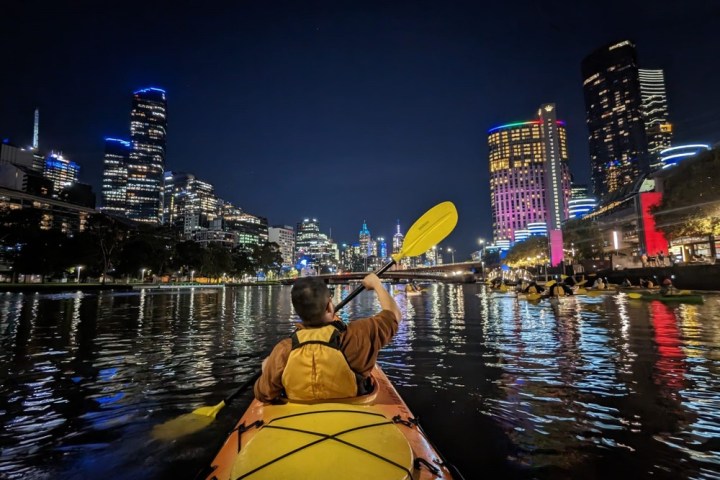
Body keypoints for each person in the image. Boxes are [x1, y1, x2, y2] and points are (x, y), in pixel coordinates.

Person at [253, 274, 402, 403]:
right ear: (330, 307)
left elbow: (263, 394)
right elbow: (394, 315)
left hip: (299, 420)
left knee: (267, 364)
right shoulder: (359, 334)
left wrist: (267, 368)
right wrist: (376, 284)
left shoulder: (284, 349)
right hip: (354, 412)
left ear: (298, 311)